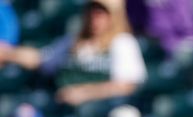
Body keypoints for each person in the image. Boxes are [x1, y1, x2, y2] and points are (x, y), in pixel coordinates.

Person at [0, 0, 146, 107]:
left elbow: (127, 86)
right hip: (66, 109)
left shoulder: (123, 43)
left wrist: (83, 93)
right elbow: (41, 59)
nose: (95, 17)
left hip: (101, 115)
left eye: (101, 12)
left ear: (114, 16)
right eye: (91, 10)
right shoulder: (73, 41)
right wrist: (8, 53)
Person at [126, 0, 193, 59]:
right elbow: (134, 27)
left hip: (182, 46)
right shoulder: (134, 2)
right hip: (152, 48)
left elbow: (190, 31)